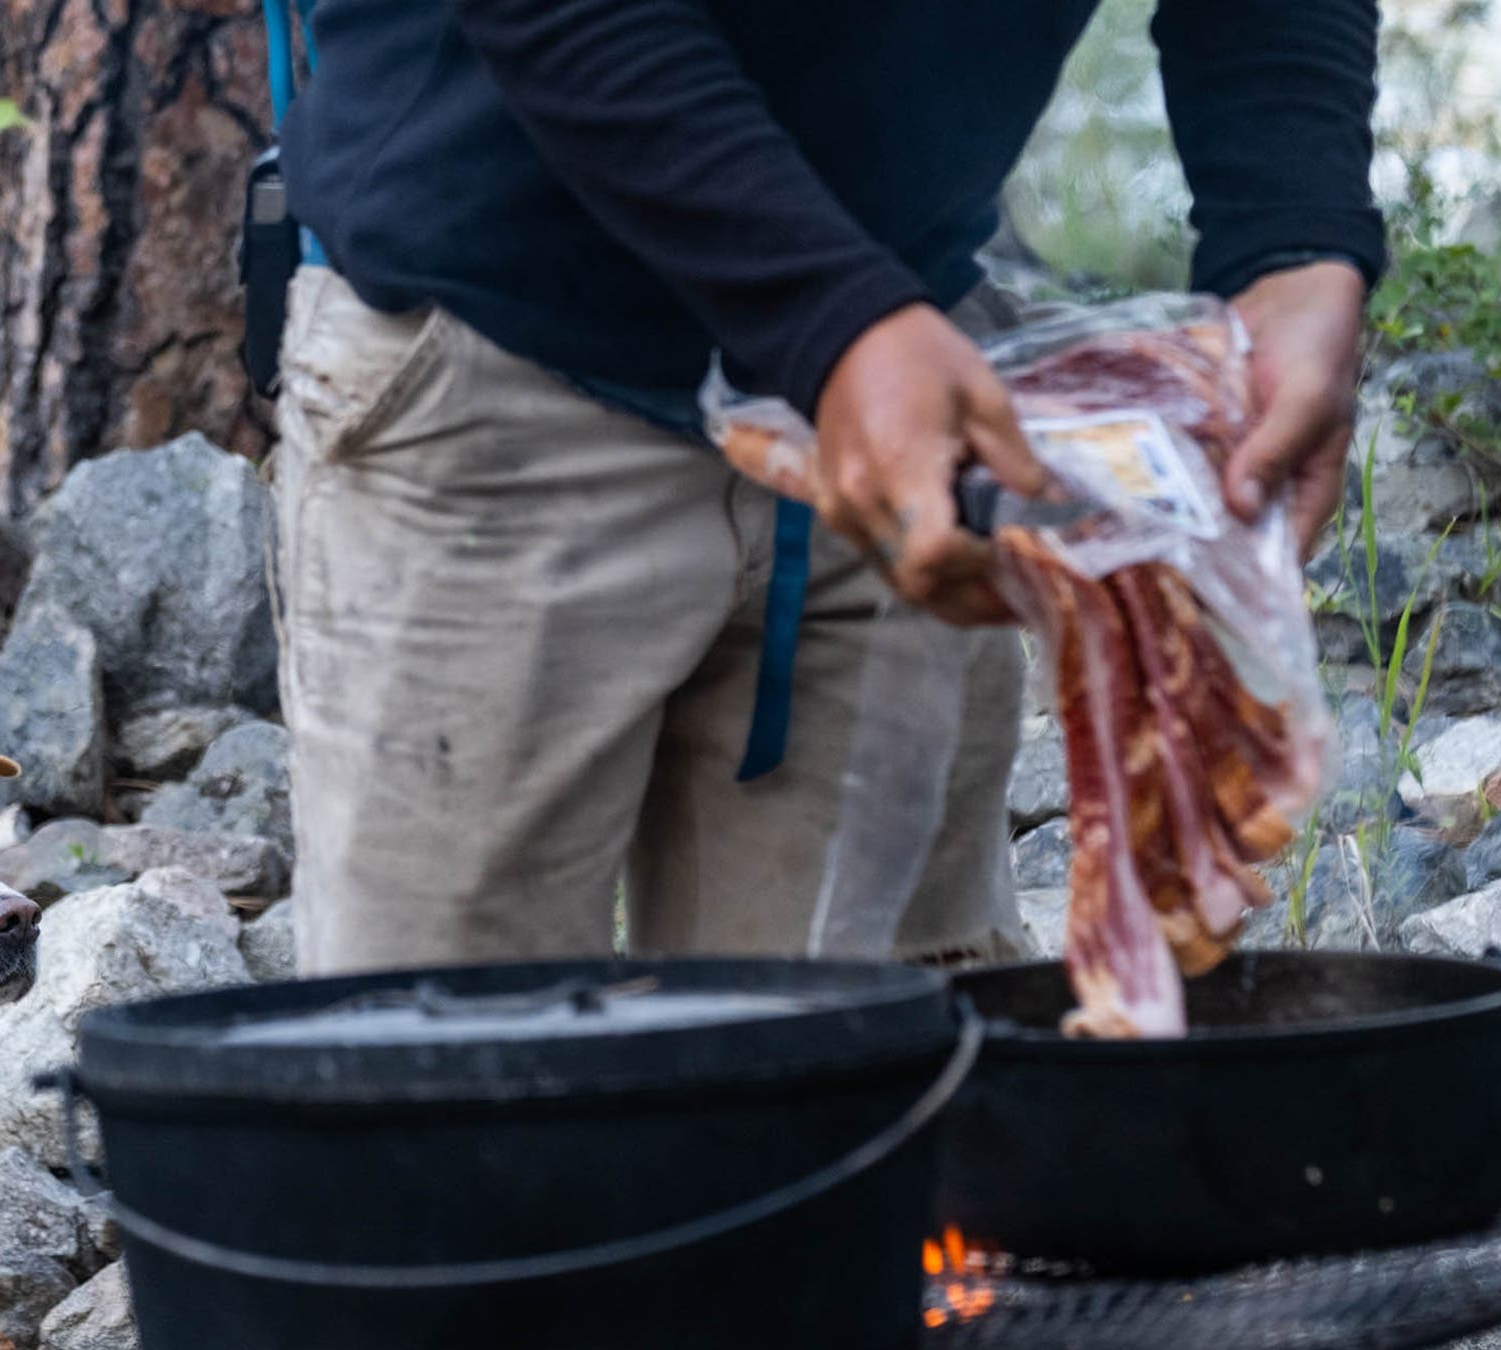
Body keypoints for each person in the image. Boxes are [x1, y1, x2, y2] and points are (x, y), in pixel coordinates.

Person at [268, 0, 1379, 975]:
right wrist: (831, 322)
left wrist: (1290, 237)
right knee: (442, 1119)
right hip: (496, 381)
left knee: (875, 1120)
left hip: (914, 382)